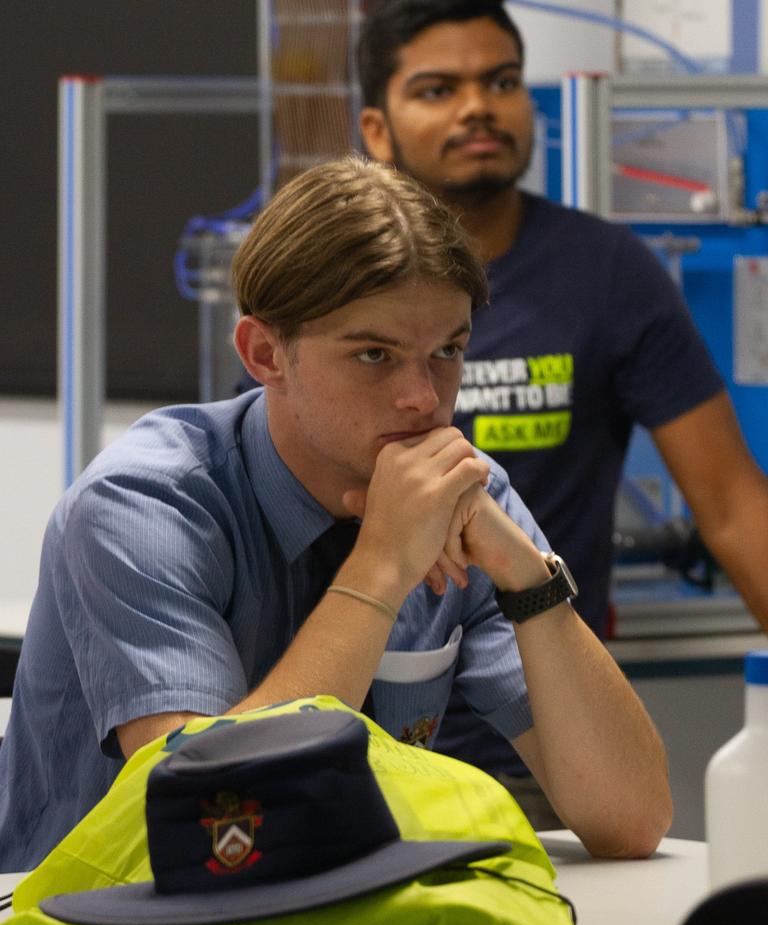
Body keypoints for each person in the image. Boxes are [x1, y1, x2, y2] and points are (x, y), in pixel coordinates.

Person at [0, 157, 670, 871]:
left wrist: (529, 581)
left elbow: (629, 820)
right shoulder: (141, 504)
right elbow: (217, 823)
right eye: (374, 354)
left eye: (448, 349)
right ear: (265, 353)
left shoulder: (467, 494)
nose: (423, 398)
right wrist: (380, 568)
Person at [356, 0, 768, 822]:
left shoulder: (608, 271)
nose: (478, 106)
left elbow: (730, 505)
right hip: (353, 756)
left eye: (500, 81)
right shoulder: (335, 283)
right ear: (378, 128)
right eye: (438, 89)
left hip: (537, 762)